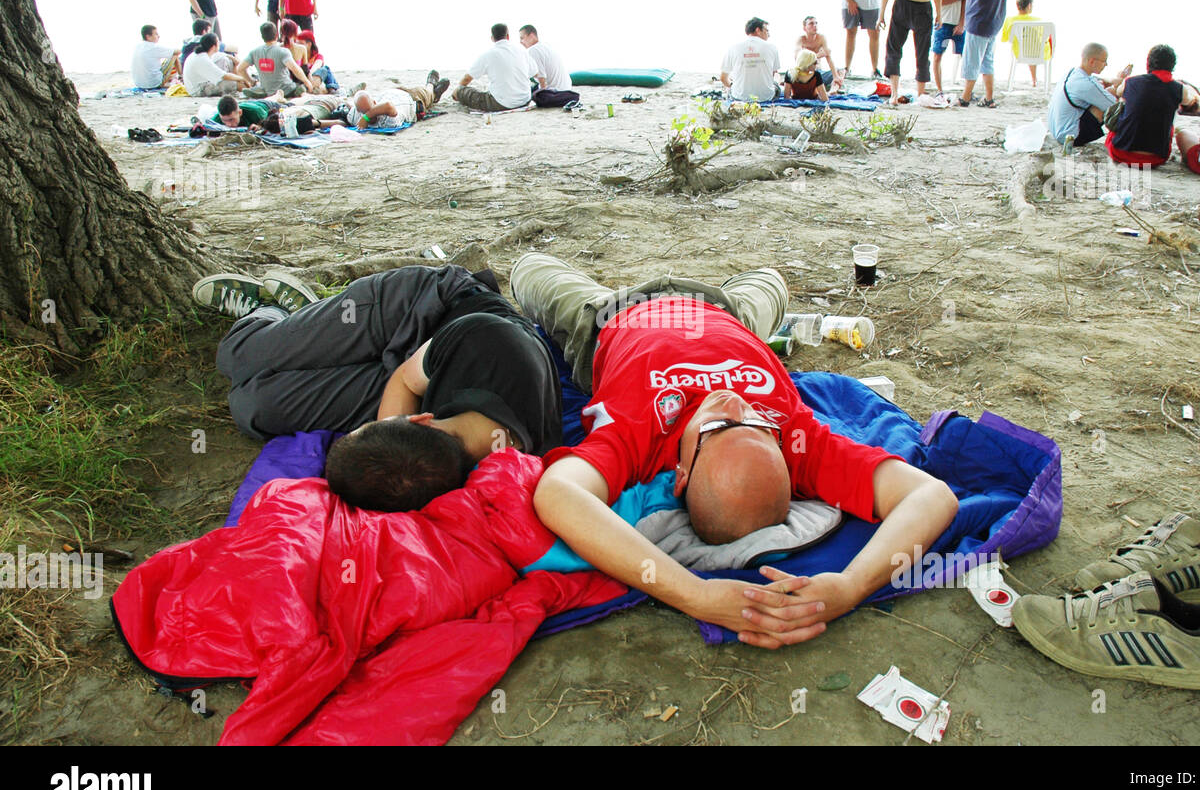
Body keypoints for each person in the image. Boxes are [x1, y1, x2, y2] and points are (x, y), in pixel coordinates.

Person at [510, 253, 959, 648]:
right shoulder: (797, 438)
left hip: (609, 314)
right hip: (729, 312)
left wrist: (697, 594)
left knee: (526, 268)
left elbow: (558, 494)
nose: (737, 403)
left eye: (721, 427)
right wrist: (850, 586)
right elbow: (933, 496)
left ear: (681, 472)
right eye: (759, 426)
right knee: (772, 277)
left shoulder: (635, 434)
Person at [192, 265, 563, 513]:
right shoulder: (486, 340)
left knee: (254, 407)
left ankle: (312, 330)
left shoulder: (453, 464)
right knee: (238, 357)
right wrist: (389, 425)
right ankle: (273, 314)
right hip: (418, 312)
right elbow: (402, 377)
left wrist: (389, 436)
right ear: (418, 420)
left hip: (422, 380)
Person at [1106, 44, 1199, 167]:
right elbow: (1191, 103)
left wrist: (1121, 78)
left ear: (1148, 64)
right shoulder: (1179, 89)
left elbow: (1118, 92)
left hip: (1120, 153)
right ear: (1173, 66)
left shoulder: (1130, 82)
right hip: (1155, 159)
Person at [958, 0, 1010, 108]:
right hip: (992, 23)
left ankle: (965, 97)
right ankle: (989, 98)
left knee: (972, 60)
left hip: (980, 22)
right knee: (987, 61)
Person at [1046, 42, 1129, 148]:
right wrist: (1121, 89)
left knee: (1108, 92)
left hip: (1056, 129)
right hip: (1069, 137)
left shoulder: (1073, 73)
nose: (1106, 65)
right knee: (1115, 103)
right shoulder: (1087, 84)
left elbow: (1097, 81)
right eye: (1104, 61)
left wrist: (1113, 82)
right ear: (1092, 61)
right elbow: (1114, 106)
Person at [452, 24, 533, 112]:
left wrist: (457, 91)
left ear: (492, 38)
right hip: (525, 100)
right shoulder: (522, 50)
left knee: (460, 91)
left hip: (502, 104)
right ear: (508, 36)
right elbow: (534, 72)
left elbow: (467, 78)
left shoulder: (488, 54)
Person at [930, 0, 968, 95]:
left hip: (958, 22)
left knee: (965, 56)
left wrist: (962, 22)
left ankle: (966, 89)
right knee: (937, 55)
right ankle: (939, 89)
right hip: (943, 21)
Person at [348, 73, 450, 129]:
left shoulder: (380, 116)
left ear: (374, 103)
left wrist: (366, 117)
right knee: (428, 93)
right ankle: (432, 88)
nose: (366, 114)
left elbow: (388, 105)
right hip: (412, 99)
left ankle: (432, 87)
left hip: (395, 91)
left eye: (369, 110)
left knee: (426, 92)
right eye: (363, 112)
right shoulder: (387, 122)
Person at [238, 22, 311, 98]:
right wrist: (306, 81)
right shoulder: (283, 51)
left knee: (263, 87)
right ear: (276, 35)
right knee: (301, 88)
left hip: (267, 89)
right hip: (286, 90)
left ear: (262, 36)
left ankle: (260, 90)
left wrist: (251, 81)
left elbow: (240, 69)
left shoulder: (254, 52)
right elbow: (294, 68)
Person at [720, 17, 781, 102]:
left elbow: (723, 78)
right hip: (766, 97)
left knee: (730, 81)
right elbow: (774, 73)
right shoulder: (772, 48)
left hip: (739, 97)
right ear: (758, 30)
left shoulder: (733, 48)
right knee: (777, 76)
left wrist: (731, 85)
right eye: (767, 31)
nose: (769, 34)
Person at [999, 0, 1053, 87]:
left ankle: (1034, 80)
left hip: (1019, 53)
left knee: (1027, 45)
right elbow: (1046, 38)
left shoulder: (1010, 20)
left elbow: (1005, 39)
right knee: (1035, 45)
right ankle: (1034, 80)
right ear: (1029, 5)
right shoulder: (1039, 20)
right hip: (1039, 54)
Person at [182, 33, 248, 96]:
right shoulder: (202, 59)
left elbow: (220, 55)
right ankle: (248, 88)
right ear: (213, 46)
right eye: (218, 42)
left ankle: (244, 84)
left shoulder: (203, 53)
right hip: (198, 90)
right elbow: (225, 76)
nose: (219, 43)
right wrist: (242, 79)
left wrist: (232, 58)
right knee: (234, 84)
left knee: (227, 60)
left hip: (200, 83)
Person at [794, 16, 842, 92]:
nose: (815, 25)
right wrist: (818, 55)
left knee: (840, 71)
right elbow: (798, 58)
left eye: (816, 23)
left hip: (819, 73)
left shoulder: (821, 38)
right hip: (805, 73)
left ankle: (832, 91)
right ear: (805, 28)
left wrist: (835, 76)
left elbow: (828, 57)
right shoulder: (801, 40)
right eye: (811, 23)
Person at [131, 24, 179, 90]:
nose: (158, 36)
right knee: (174, 55)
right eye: (156, 34)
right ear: (148, 37)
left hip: (139, 84)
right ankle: (181, 76)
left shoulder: (138, 46)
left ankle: (180, 77)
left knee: (169, 55)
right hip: (154, 84)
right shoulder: (154, 47)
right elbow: (177, 51)